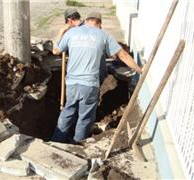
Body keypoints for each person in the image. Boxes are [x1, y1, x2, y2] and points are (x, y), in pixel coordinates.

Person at [51, 12, 143, 143]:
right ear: (99, 23)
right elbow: (123, 55)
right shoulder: (103, 35)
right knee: (85, 116)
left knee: (68, 110)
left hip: (71, 83)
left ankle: (56, 140)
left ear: (86, 21)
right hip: (89, 85)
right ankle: (78, 143)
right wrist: (140, 69)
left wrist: (61, 31)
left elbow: (55, 51)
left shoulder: (72, 33)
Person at [57, 8, 107, 84]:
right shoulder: (89, 25)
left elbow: (56, 50)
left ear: (69, 20)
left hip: (90, 74)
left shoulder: (75, 32)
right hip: (97, 71)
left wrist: (61, 32)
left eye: (67, 23)